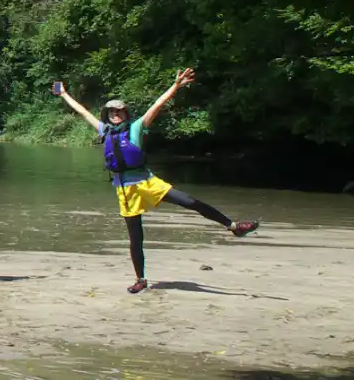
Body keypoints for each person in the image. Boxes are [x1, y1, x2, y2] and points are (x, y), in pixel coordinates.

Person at [55, 68, 261, 294]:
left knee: (190, 201)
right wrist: (64, 94)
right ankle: (140, 279)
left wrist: (176, 86)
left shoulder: (136, 127)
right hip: (125, 190)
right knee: (135, 237)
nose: (115, 114)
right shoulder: (104, 131)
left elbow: (156, 105)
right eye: (111, 111)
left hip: (148, 182)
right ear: (107, 115)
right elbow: (84, 112)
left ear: (125, 113)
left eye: (119, 111)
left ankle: (233, 226)